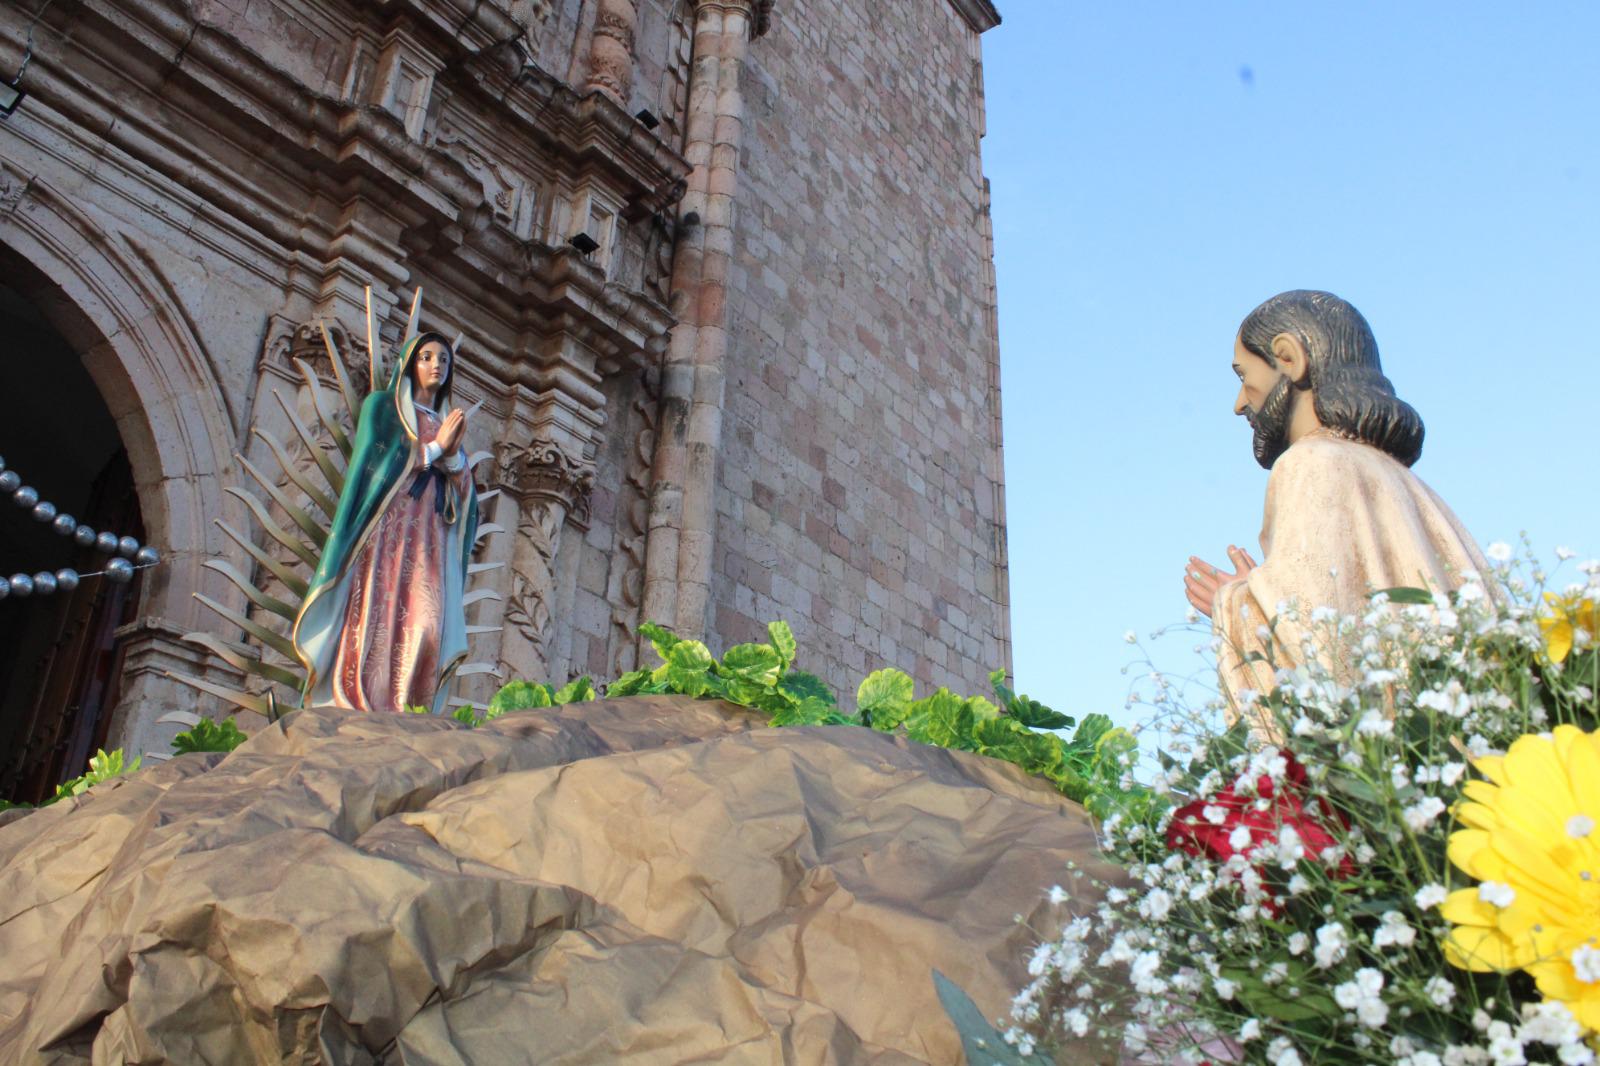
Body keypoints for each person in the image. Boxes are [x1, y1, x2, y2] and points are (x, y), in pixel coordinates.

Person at [1183, 290, 1488, 697]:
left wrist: (1236, 604)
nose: (1240, 404)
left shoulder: (1310, 464)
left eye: (1244, 376)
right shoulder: (1405, 482)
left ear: (1289, 358)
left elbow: (1318, 642)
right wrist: (1262, 592)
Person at [292, 332, 479, 713]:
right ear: (411, 363)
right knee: (376, 616)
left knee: (427, 624)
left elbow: (466, 498)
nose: (436, 366)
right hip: (386, 537)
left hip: (429, 542)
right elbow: (374, 464)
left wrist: (455, 459)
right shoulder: (384, 409)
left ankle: (409, 706)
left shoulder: (446, 424)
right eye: (427, 357)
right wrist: (437, 449)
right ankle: (361, 701)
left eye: (444, 360)